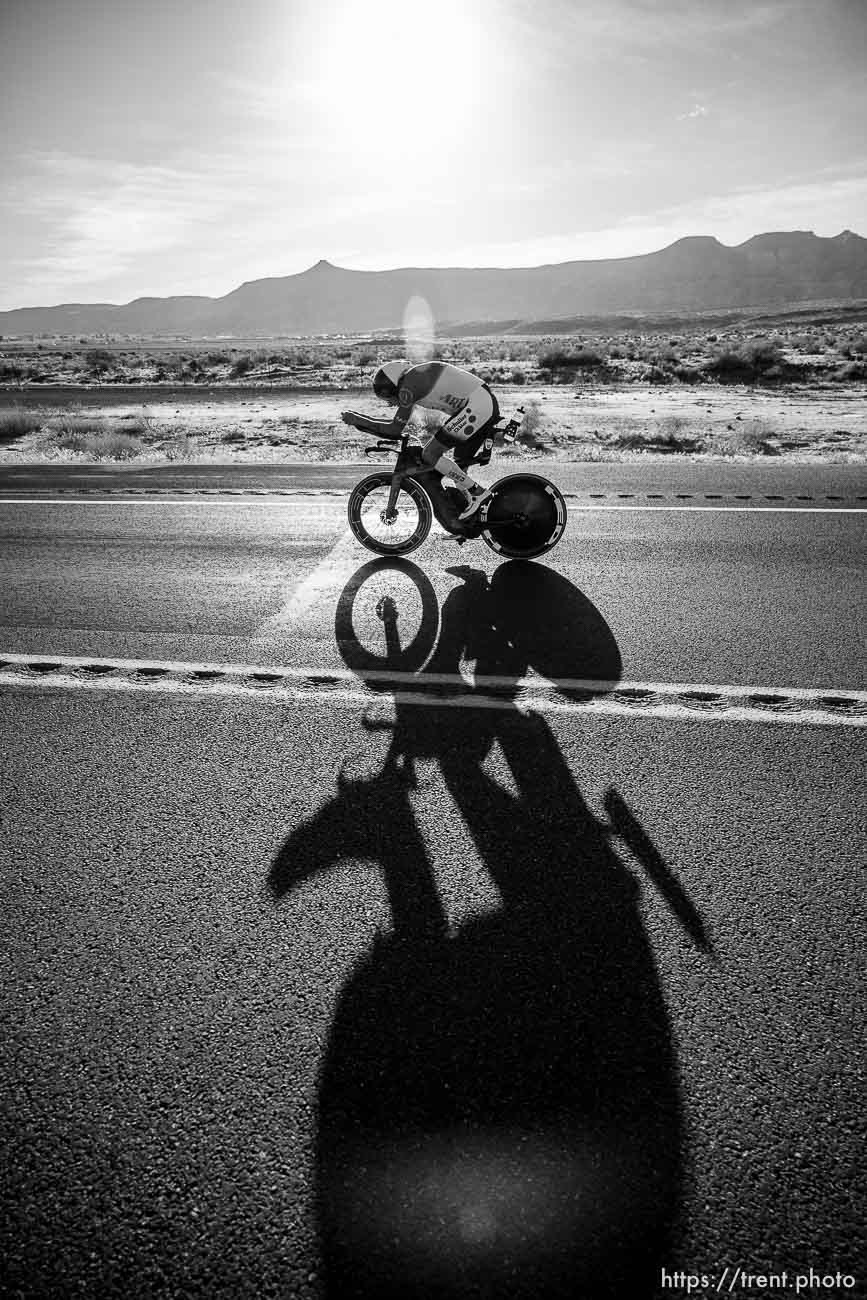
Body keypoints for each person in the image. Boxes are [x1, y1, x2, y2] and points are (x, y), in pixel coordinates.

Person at [341, 360, 500, 519]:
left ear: (394, 387)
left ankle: (478, 493)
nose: (390, 404)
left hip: (478, 406)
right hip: (481, 403)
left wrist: (359, 420)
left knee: (430, 454)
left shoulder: (408, 387)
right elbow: (393, 428)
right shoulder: (412, 378)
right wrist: (360, 421)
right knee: (459, 470)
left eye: (388, 397)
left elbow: (394, 429)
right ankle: (468, 520)